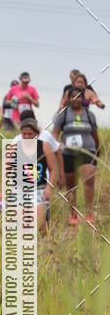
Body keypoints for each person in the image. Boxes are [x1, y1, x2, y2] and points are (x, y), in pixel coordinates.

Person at [0, 114, 57, 232]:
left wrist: (49, 187)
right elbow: (6, 171)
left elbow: (53, 169)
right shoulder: (14, 147)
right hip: (19, 190)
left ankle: (46, 239)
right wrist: (2, 191)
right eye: (24, 134)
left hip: (38, 189)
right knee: (23, 225)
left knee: (40, 225)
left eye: (30, 134)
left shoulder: (44, 146)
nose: (27, 137)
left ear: (36, 134)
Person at [52, 86, 99, 225]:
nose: (76, 99)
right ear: (68, 98)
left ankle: (89, 213)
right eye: (73, 96)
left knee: (89, 179)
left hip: (87, 151)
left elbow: (95, 134)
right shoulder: (63, 114)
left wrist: (97, 150)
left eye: (79, 96)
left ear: (83, 99)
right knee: (71, 184)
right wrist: (56, 144)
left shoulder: (89, 115)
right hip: (68, 153)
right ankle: (73, 214)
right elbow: (55, 133)